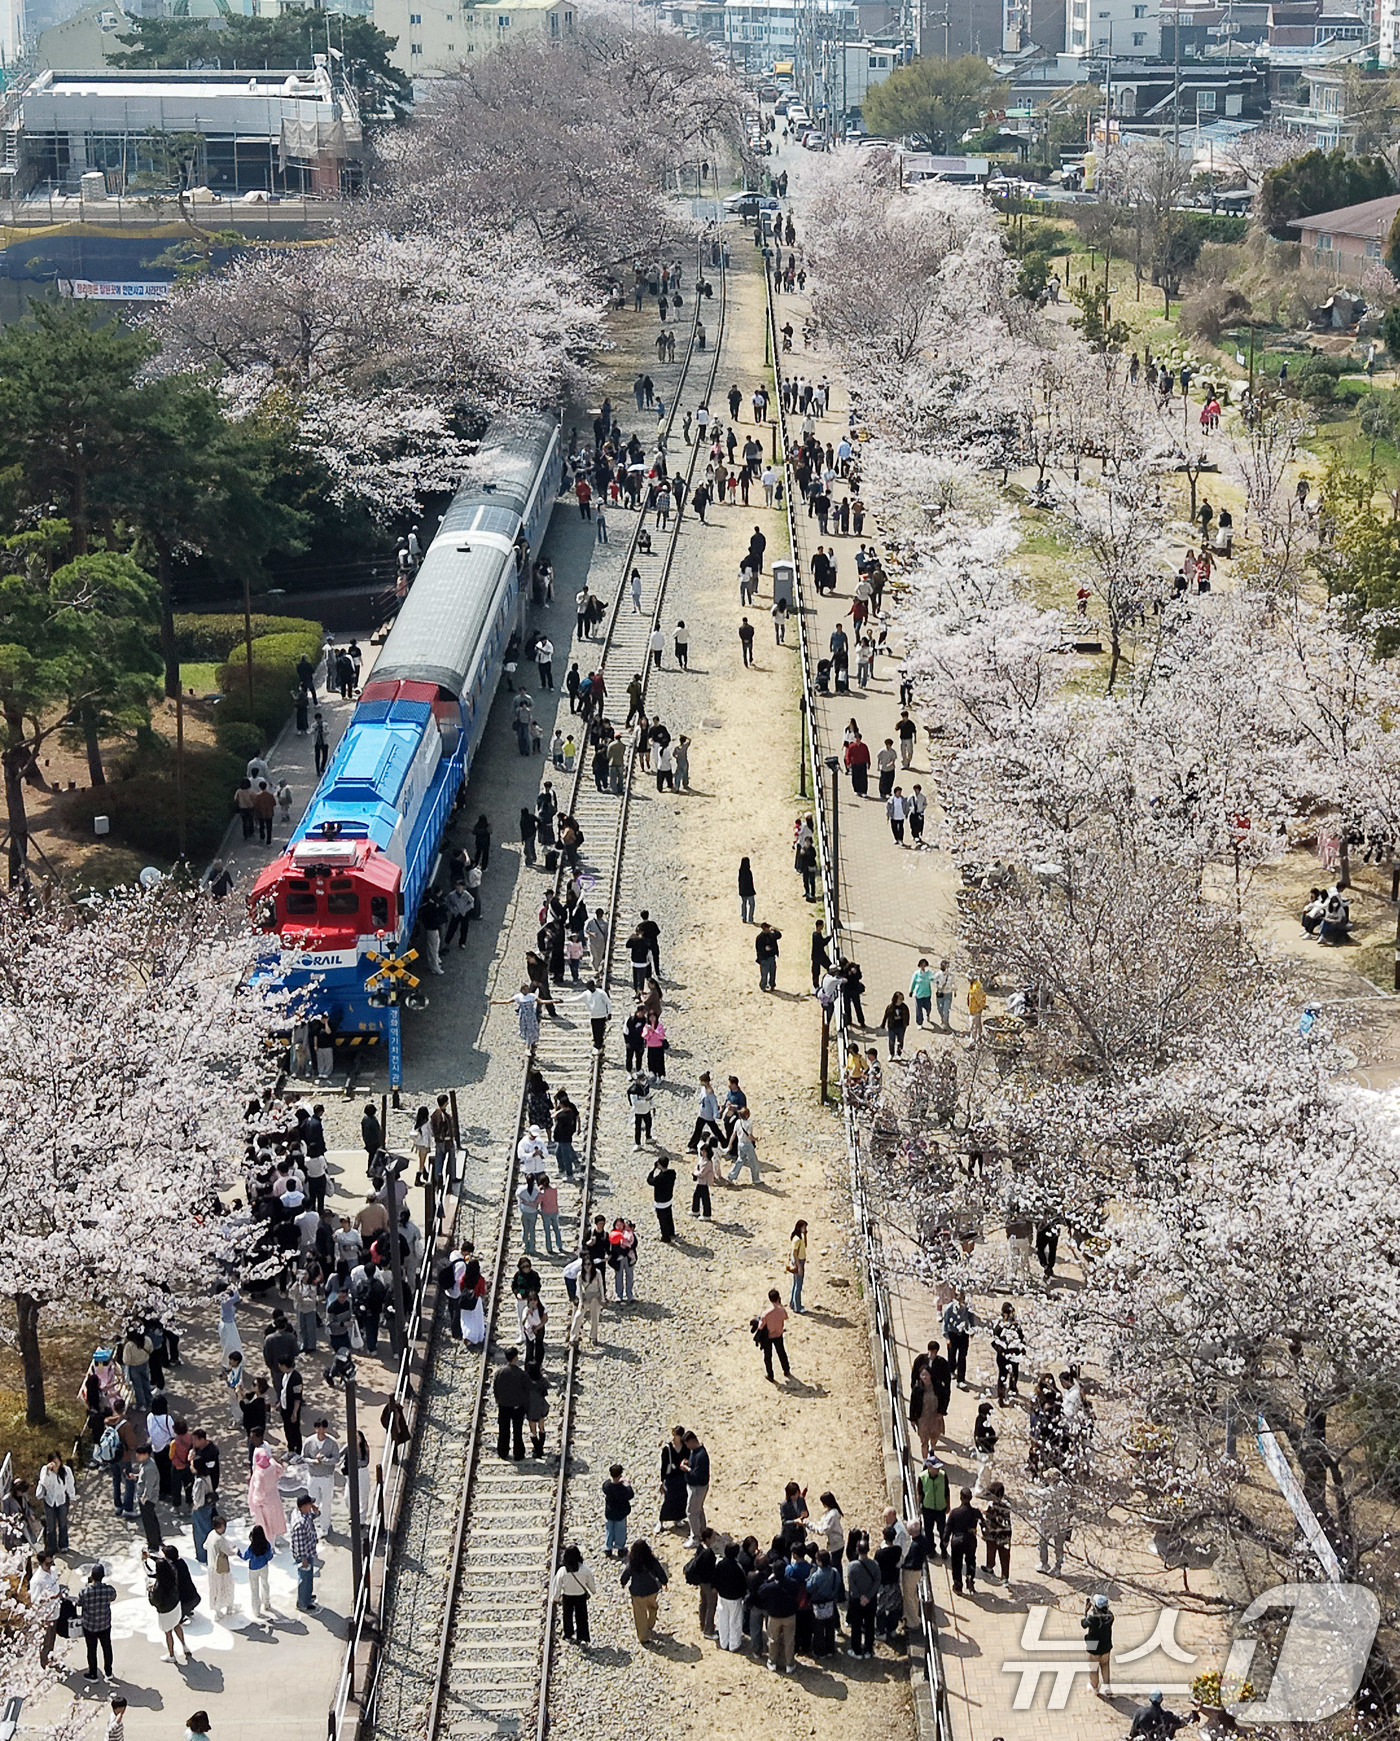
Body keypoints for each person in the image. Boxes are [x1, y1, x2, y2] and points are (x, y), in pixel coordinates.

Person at [143, 1544, 194, 1663]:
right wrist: (150, 1556)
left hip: (165, 1610)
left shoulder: (158, 1588)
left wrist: (150, 1591)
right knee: (177, 1625)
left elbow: (154, 1601)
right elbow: (165, 1563)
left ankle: (171, 1655)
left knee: (168, 1633)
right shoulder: (173, 1572)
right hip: (176, 1605)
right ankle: (184, 1646)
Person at [619, 1538, 669, 1644]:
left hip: (637, 1592)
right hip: (652, 1590)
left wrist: (623, 1583)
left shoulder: (632, 1562)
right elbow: (660, 1572)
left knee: (640, 1614)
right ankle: (650, 1625)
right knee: (653, 1607)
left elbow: (625, 1574)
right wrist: (664, 1581)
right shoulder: (652, 1560)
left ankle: (643, 1636)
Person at [552, 1543, 597, 1645]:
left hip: (567, 1596)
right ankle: (583, 1636)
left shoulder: (562, 1571)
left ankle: (568, 1634)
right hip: (580, 1596)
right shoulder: (584, 1570)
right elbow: (590, 1582)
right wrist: (593, 1590)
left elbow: (557, 1585)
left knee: (567, 1616)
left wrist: (555, 1597)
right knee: (581, 1617)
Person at [78, 1562, 116, 1680]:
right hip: (104, 1623)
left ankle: (93, 1673)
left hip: (90, 1625)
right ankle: (108, 1672)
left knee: (91, 1649)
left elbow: (79, 1603)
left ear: (92, 1576)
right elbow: (113, 1597)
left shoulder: (85, 1591)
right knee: (107, 1647)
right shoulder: (108, 1590)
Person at [845, 1534, 879, 1659]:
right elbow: (877, 1581)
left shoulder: (852, 1566)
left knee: (856, 1626)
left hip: (856, 1601)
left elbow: (852, 1584)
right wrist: (868, 1596)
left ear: (857, 1550)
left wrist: (860, 1597)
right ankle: (869, 1649)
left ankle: (857, 1650)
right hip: (871, 1601)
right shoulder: (874, 1564)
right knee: (870, 1625)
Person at [946, 1487, 982, 1596]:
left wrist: (944, 1540)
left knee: (956, 1564)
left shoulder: (954, 1513)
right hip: (970, 1540)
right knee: (970, 1561)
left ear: (960, 1498)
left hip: (957, 1541)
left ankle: (958, 1586)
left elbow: (948, 1528)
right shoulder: (976, 1512)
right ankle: (970, 1579)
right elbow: (984, 1524)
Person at [494, 1348, 530, 1460]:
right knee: (517, 1431)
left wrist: (498, 1400)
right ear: (515, 1357)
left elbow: (496, 1388)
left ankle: (502, 1452)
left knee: (504, 1430)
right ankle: (518, 1454)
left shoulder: (500, 1372)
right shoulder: (521, 1374)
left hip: (504, 1406)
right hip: (517, 1407)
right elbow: (526, 1390)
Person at [37, 1452, 75, 1553]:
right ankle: (52, 1547)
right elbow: (44, 1483)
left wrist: (72, 1497)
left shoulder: (66, 1470)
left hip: (61, 1500)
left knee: (62, 1523)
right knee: (51, 1526)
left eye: (57, 1461)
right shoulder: (45, 1470)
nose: (55, 1464)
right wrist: (48, 1471)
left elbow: (70, 1485)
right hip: (49, 1500)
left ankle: (63, 1544)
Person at [239, 1525, 276, 1619]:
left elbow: (245, 1557)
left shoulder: (252, 1547)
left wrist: (238, 1552)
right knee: (265, 1584)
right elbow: (269, 1557)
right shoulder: (266, 1545)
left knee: (254, 1589)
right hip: (264, 1566)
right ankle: (266, 1603)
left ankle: (256, 1611)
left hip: (253, 1569)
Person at [1083, 1592, 1115, 1696]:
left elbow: (1083, 1624)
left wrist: (1086, 1611)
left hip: (1093, 1646)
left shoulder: (1092, 1619)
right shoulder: (1110, 1617)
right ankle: (1107, 1687)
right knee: (1105, 1665)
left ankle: (1094, 1686)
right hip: (1106, 1644)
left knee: (1093, 1667)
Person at [982, 1480, 1012, 1583]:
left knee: (992, 1550)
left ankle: (990, 1567)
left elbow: (993, 1518)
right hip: (1005, 1534)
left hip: (995, 1532)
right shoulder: (1007, 1503)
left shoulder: (994, 1505)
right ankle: (1004, 1576)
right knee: (1004, 1555)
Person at [758, 1289, 791, 1381]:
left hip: (768, 1336)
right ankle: (786, 1370)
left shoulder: (766, 1313)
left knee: (768, 1356)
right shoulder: (781, 1310)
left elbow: (761, 1326)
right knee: (782, 1353)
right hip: (779, 1335)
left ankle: (770, 1375)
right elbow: (786, 1317)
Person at [682, 1432, 709, 1544]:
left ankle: (695, 1537)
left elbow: (697, 1475)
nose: (687, 1447)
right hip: (697, 1487)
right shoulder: (696, 1452)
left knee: (691, 1512)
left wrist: (686, 1469)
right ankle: (703, 1531)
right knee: (698, 1509)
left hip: (698, 1488)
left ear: (693, 1441)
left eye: (688, 1444)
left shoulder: (701, 1455)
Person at [648, 1156, 677, 1243]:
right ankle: (671, 1232)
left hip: (660, 1203)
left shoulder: (659, 1178)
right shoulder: (672, 1173)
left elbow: (649, 1180)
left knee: (662, 1220)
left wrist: (653, 1169)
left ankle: (666, 1237)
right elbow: (665, 1173)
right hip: (669, 1199)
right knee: (669, 1217)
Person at [881, 990, 910, 1058]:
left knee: (900, 1041)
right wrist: (883, 1024)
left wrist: (906, 1024)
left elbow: (907, 1015)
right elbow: (886, 1016)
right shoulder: (890, 1007)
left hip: (901, 1027)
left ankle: (898, 1054)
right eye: (900, 999)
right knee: (891, 1041)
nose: (901, 1000)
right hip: (892, 1027)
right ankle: (891, 1053)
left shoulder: (904, 1007)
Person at [787, 1220, 808, 1312]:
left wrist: (805, 1235)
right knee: (798, 1285)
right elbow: (795, 1253)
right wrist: (799, 1266)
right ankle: (797, 1307)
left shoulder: (800, 1238)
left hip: (800, 1261)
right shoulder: (797, 1240)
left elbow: (805, 1246)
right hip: (799, 1261)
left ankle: (793, 1303)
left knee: (796, 1283)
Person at [755, 921, 781, 991]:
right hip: (764, 958)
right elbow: (758, 949)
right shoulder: (760, 938)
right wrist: (765, 949)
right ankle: (763, 986)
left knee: (773, 972)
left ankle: (772, 985)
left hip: (772, 956)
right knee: (764, 974)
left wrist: (774, 930)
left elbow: (779, 936)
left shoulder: (772, 935)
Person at [738, 857, 756, 924]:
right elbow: (750, 882)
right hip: (749, 892)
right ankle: (750, 919)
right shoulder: (748, 872)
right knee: (752, 905)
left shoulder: (740, 871)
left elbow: (739, 881)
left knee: (744, 904)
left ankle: (744, 917)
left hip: (742, 891)